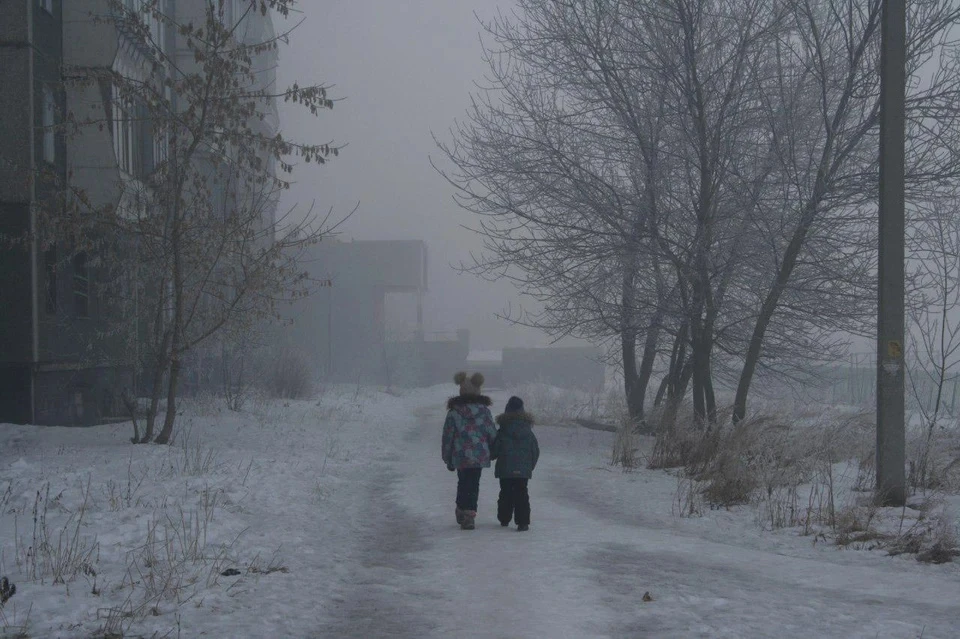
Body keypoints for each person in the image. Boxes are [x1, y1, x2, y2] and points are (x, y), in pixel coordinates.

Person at [441, 372, 498, 530]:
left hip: (460, 455)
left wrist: (447, 457)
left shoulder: (453, 413)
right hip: (479, 456)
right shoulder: (484, 412)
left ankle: (461, 509)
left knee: (463, 482)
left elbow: (448, 437)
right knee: (474, 484)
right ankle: (469, 515)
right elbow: (491, 433)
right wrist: (493, 451)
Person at [491, 396, 539, 532]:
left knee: (505, 493)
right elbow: (535, 451)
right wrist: (529, 466)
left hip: (505, 469)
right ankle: (523, 522)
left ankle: (504, 518)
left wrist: (491, 455)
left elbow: (495, 450)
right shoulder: (528, 432)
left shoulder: (502, 431)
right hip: (523, 470)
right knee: (522, 493)